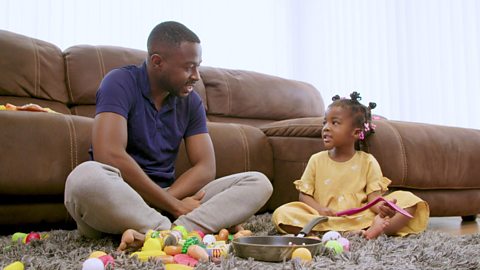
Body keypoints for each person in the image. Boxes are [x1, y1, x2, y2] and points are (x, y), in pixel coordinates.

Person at [64, 21, 273, 249]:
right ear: (157, 62)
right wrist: (173, 206)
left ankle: (163, 232)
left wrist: (169, 200)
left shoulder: (191, 101)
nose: (196, 76)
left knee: (258, 182)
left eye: (198, 67)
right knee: (83, 178)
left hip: (166, 196)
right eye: (188, 67)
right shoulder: (119, 83)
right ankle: (171, 230)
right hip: (118, 197)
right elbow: (109, 154)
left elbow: (205, 166)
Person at [272, 92, 429, 239]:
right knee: (282, 214)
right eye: (324, 123)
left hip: (359, 216)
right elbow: (304, 195)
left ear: (355, 133)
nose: (326, 128)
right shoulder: (316, 160)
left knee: (410, 201)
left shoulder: (367, 161)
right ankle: (348, 232)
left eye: (335, 123)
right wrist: (320, 210)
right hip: (323, 217)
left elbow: (373, 199)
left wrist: (382, 209)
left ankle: (371, 230)